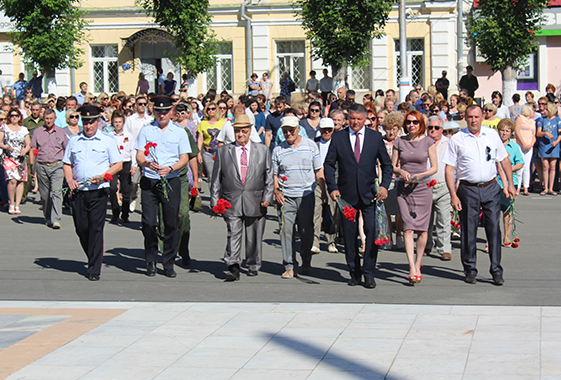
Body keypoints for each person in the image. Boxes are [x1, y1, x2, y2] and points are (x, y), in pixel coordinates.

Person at [443, 105, 516, 285]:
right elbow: (449, 169)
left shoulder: (491, 135)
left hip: (490, 186)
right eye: (470, 117)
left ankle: (496, 270)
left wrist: (510, 184)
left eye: (476, 117)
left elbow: (503, 159)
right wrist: (453, 194)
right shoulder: (457, 139)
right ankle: (470, 269)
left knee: (493, 229)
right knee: (469, 230)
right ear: (465, 118)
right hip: (468, 189)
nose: (473, 120)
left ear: (482, 117)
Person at [324, 103, 393, 289]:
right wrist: (332, 187)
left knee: (371, 233)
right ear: (349, 119)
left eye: (359, 119)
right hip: (346, 196)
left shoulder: (374, 137)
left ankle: (369, 272)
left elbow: (387, 165)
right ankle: (354, 272)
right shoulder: (338, 138)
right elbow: (329, 165)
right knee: (349, 235)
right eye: (352, 118)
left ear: (365, 120)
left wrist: (385, 186)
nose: (355, 122)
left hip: (370, 194)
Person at [62, 105, 123, 281]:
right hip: (79, 191)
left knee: (96, 229)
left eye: (91, 122)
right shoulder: (74, 140)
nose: (88, 126)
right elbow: (67, 163)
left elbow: (117, 164)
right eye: (85, 122)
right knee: (81, 228)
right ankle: (92, 255)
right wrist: (69, 180)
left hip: (98, 191)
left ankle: (94, 268)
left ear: (98, 122)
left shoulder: (107, 140)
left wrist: (105, 176)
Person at [210, 114, 274, 280]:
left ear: (250, 131)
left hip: (256, 199)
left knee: (253, 236)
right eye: (237, 131)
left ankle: (252, 264)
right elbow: (215, 179)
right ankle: (233, 264)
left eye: (244, 131)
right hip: (231, 199)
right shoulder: (224, 151)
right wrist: (215, 201)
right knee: (233, 233)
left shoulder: (263, 150)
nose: (240, 134)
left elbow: (269, 175)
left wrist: (268, 196)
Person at [135, 96, 191, 278]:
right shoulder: (146, 130)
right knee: (149, 223)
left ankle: (168, 262)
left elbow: (184, 158)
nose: (162, 114)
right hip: (150, 181)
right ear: (154, 111)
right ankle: (150, 259)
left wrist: (170, 168)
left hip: (171, 179)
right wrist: (146, 163)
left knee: (170, 224)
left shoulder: (179, 132)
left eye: (166, 111)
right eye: (159, 111)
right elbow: (139, 156)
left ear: (171, 112)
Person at [272, 116, 325, 279]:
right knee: (286, 232)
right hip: (286, 196)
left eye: (291, 130)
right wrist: (276, 191)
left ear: (297, 129)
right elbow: (275, 174)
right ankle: (289, 265)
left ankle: (306, 260)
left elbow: (318, 170)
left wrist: (323, 192)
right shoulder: (278, 150)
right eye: (285, 131)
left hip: (306, 195)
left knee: (306, 231)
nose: (288, 134)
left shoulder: (310, 146)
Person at [392, 111, 437, 284]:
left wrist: (420, 175)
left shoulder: (428, 141)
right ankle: (411, 266)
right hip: (404, 189)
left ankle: (418, 263)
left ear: (421, 124)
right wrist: (401, 171)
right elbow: (392, 165)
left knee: (422, 229)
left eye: (416, 122)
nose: (412, 125)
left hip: (422, 188)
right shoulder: (399, 142)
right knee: (408, 227)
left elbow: (434, 167)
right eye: (409, 122)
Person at [30, 108, 68, 228]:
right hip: (42, 165)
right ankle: (48, 216)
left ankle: (56, 219)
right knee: (45, 195)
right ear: (44, 119)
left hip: (57, 165)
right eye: (46, 118)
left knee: (57, 192)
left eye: (51, 118)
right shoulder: (37, 132)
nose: (49, 121)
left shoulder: (61, 132)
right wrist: (32, 166)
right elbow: (32, 148)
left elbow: (67, 149)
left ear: (55, 119)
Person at [424, 116, 452, 261]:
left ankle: (444, 248)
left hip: (443, 186)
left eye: (436, 128)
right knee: (425, 220)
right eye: (430, 128)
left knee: (443, 219)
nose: (433, 130)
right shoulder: (422, 142)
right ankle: (426, 245)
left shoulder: (449, 143)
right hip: (425, 186)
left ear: (441, 129)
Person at [496, 119, 524, 246]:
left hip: (510, 181)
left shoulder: (514, 147)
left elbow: (520, 163)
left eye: (507, 131)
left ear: (511, 133)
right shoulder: (494, 145)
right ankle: (490, 240)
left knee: (508, 210)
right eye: (502, 130)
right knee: (492, 212)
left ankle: (506, 236)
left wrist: (509, 168)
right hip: (495, 182)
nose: (504, 133)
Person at [124, 96, 152, 212]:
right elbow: (127, 136)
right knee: (134, 180)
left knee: (147, 178)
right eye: (140, 104)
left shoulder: (150, 119)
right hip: (134, 151)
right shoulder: (130, 119)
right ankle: (133, 197)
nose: (142, 106)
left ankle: (147, 201)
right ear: (136, 105)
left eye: (144, 104)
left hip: (148, 152)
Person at [381, 112, 405, 250]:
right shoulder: (382, 142)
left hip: (400, 179)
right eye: (389, 128)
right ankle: (388, 237)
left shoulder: (402, 142)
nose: (391, 132)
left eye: (394, 128)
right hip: (387, 179)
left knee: (400, 211)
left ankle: (399, 236)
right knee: (387, 211)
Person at [107, 110, 135, 224]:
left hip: (125, 163)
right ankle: (115, 212)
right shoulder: (109, 136)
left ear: (123, 122)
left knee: (126, 189)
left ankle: (125, 214)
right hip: (113, 164)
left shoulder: (129, 136)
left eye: (119, 122)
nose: (117, 124)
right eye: (115, 122)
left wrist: (134, 165)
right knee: (112, 188)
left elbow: (133, 151)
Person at [1, 110, 30, 214]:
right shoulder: (4, 128)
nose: (14, 117)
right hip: (9, 157)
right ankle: (11, 203)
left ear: (19, 117)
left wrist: (24, 151)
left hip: (20, 158)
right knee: (12, 180)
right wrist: (7, 147)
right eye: (12, 115)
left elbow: (28, 144)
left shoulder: (24, 129)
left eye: (16, 115)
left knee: (20, 181)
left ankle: (17, 205)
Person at [536, 101, 561, 196]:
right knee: (545, 167)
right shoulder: (541, 120)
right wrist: (545, 133)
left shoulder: (557, 120)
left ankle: (551, 188)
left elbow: (560, 134)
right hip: (544, 145)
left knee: (553, 167)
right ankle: (545, 187)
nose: (544, 111)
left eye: (547, 109)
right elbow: (538, 133)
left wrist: (556, 142)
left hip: (554, 146)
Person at [197, 101, 226, 180]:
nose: (211, 111)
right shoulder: (203, 123)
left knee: (222, 175)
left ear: (216, 110)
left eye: (213, 109)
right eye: (208, 109)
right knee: (211, 176)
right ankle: (213, 192)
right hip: (208, 152)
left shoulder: (223, 122)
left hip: (221, 152)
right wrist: (199, 154)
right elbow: (200, 140)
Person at [514, 104, 536, 196]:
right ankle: (518, 187)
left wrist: (530, 144)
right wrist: (523, 143)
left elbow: (533, 135)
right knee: (520, 166)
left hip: (529, 146)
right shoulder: (520, 118)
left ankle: (526, 187)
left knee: (527, 166)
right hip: (520, 145)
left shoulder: (532, 121)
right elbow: (517, 131)